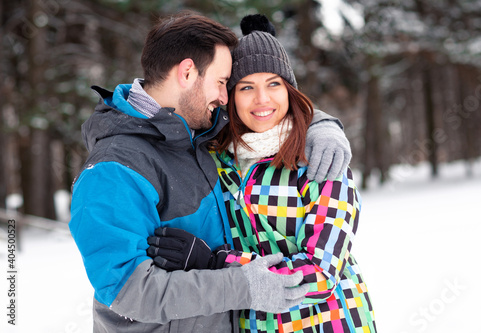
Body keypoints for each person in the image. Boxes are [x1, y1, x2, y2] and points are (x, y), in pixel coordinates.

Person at [69, 11, 352, 333]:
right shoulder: (113, 170)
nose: (224, 96)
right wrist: (239, 284)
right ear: (188, 72)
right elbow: (129, 292)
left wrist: (321, 126)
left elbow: (270, 111)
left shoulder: (200, 133)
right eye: (222, 83)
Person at [148, 14, 376, 332]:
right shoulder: (214, 159)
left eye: (273, 84)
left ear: (289, 91)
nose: (262, 99)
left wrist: (213, 262)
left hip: (331, 323)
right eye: (246, 87)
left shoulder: (321, 161)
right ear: (230, 97)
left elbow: (318, 277)